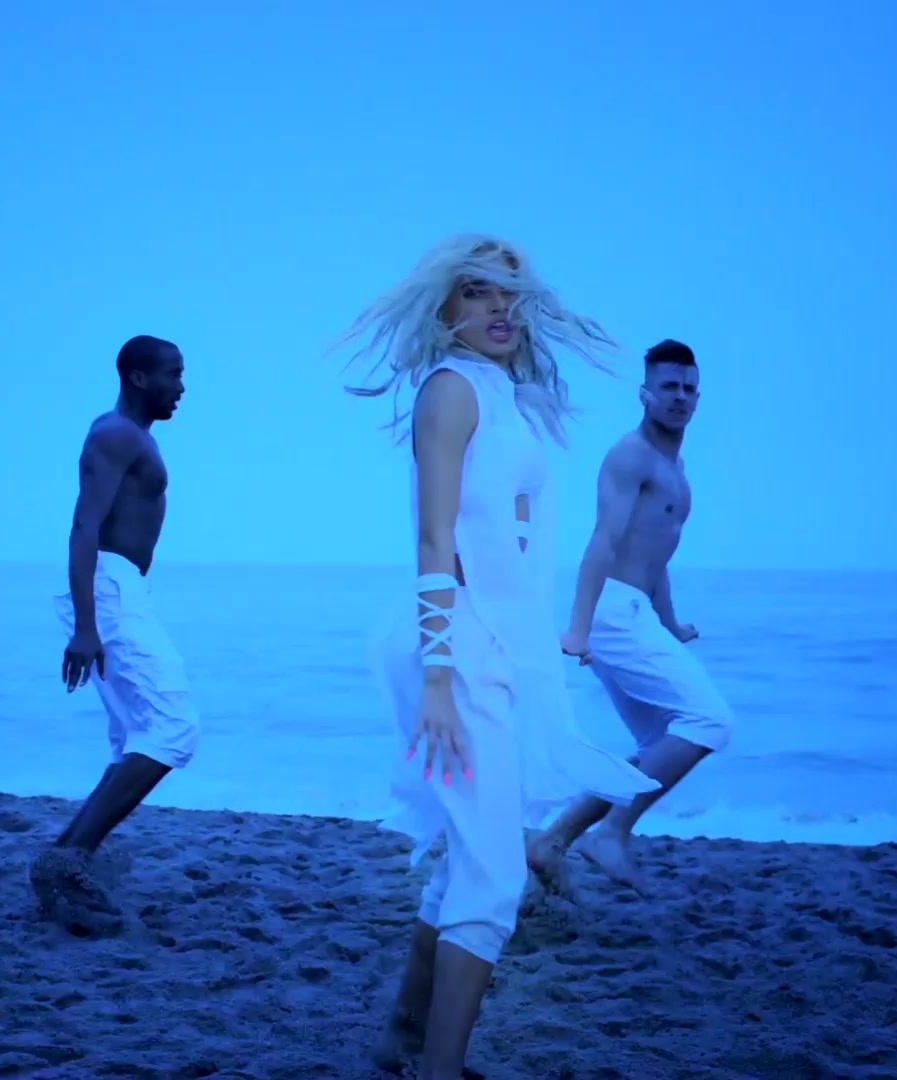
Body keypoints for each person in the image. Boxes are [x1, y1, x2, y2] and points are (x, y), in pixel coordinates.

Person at [341, 235, 658, 1079]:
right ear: (444, 309)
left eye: (509, 293)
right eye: (477, 292)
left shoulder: (502, 394)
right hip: (457, 643)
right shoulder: (450, 391)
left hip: (493, 644)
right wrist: (440, 678)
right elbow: (432, 538)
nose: (499, 308)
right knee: (495, 877)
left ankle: (406, 1038)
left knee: (472, 855)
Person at [524, 339, 734, 899]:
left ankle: (553, 841)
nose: (680, 397)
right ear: (645, 394)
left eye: (689, 389)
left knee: (662, 742)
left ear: (699, 398)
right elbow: (603, 542)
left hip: (633, 611)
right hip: (611, 611)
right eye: (669, 387)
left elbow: (656, 557)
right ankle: (612, 832)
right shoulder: (630, 456)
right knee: (710, 721)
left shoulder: (675, 468)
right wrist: (578, 628)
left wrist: (671, 624)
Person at [31, 334, 197, 933]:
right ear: (137, 377)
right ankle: (70, 857)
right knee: (173, 729)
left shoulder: (133, 437)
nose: (182, 387)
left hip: (125, 590)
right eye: (172, 374)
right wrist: (86, 625)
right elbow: (83, 528)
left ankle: (66, 861)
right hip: (109, 591)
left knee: (137, 736)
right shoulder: (116, 435)